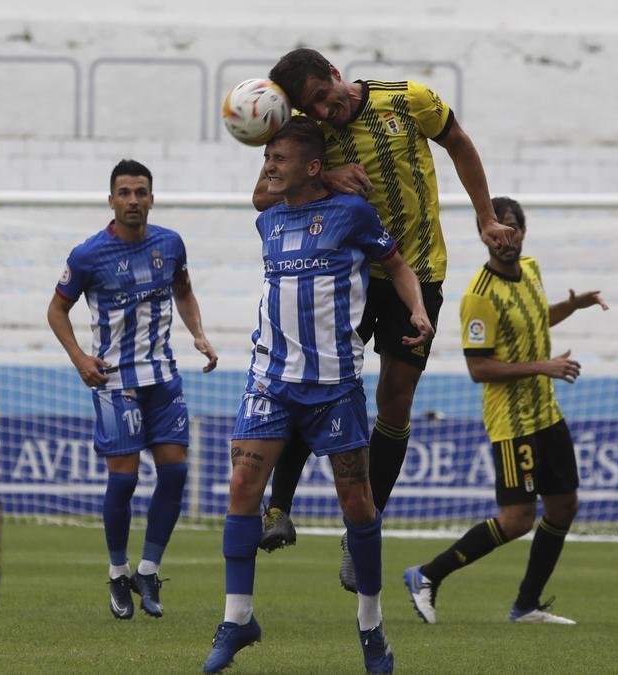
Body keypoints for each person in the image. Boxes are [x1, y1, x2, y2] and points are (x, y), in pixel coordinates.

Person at [253, 49, 512, 594]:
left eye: (323, 96)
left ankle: (361, 525)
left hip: (413, 271)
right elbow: (262, 195)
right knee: (312, 383)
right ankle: (278, 507)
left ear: (335, 75)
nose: (323, 111)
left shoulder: (408, 100)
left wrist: (485, 217)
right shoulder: (309, 134)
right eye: (310, 107)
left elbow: (460, 143)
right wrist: (327, 181)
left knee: (394, 400)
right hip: (344, 273)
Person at [203, 118, 433, 674]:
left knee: (358, 505)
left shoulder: (352, 214)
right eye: (266, 158)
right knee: (241, 487)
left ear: (309, 166)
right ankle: (238, 618)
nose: (269, 165)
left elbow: (397, 265)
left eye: (278, 157)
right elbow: (259, 193)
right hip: (269, 380)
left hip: (333, 387)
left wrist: (419, 310)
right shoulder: (269, 221)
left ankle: (372, 627)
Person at [402, 197, 608, 625]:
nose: (505, 236)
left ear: (523, 232)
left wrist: (571, 307)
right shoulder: (479, 297)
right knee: (517, 519)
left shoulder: (531, 269)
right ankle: (427, 575)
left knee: (564, 505)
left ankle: (526, 605)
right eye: (496, 229)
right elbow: (479, 368)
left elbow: (533, 319)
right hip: (512, 423)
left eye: (512, 228)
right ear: (484, 235)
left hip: (546, 412)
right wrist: (544, 366)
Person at [47, 159, 218, 620]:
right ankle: (119, 572)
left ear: (151, 199)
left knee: (176, 473)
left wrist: (198, 333)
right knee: (123, 480)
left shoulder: (170, 243)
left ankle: (148, 569)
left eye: (141, 192)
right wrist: (80, 359)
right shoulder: (88, 256)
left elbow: (183, 289)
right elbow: (56, 311)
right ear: (111, 201)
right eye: (124, 193)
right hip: (114, 381)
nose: (133, 201)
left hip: (162, 377)